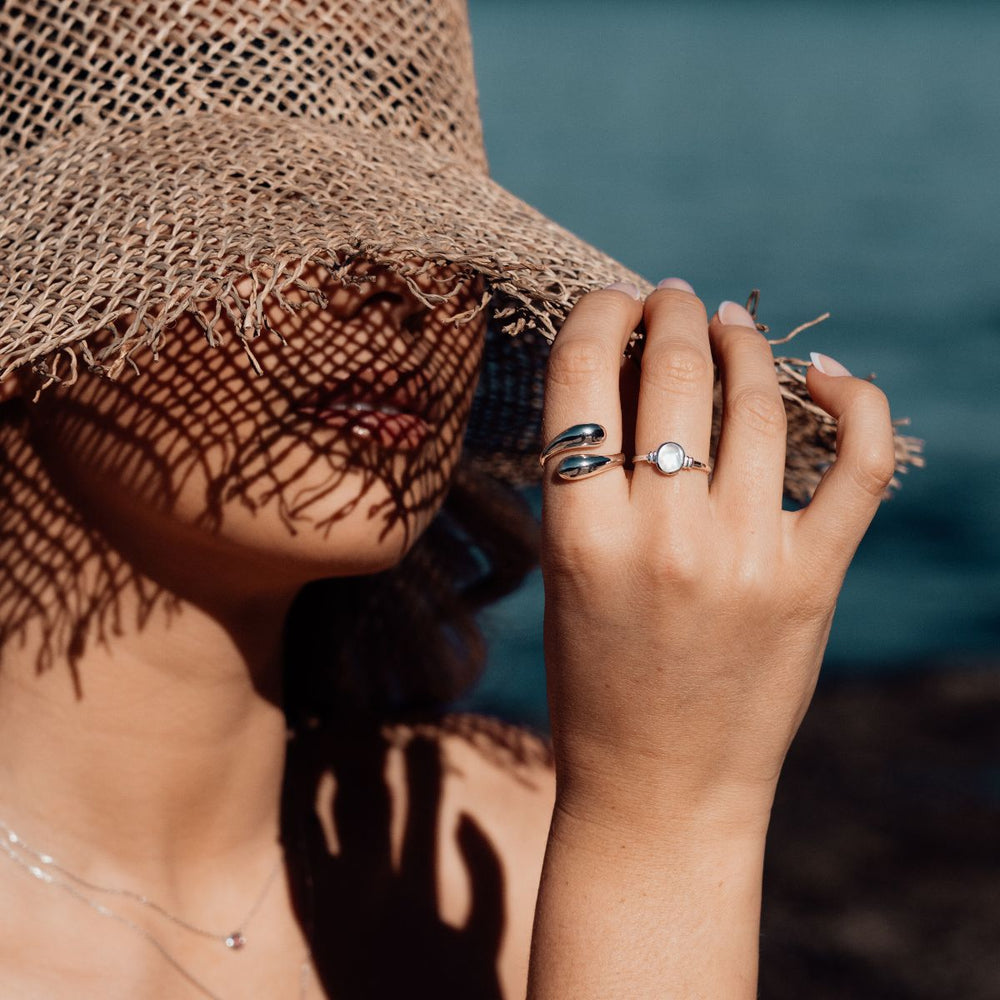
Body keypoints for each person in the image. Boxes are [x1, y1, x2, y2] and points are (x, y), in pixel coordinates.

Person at [0, 1, 921, 998]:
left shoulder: (513, 835)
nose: (403, 282)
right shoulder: (572, 838)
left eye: (433, 226)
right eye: (263, 199)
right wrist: (665, 827)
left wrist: (658, 804)